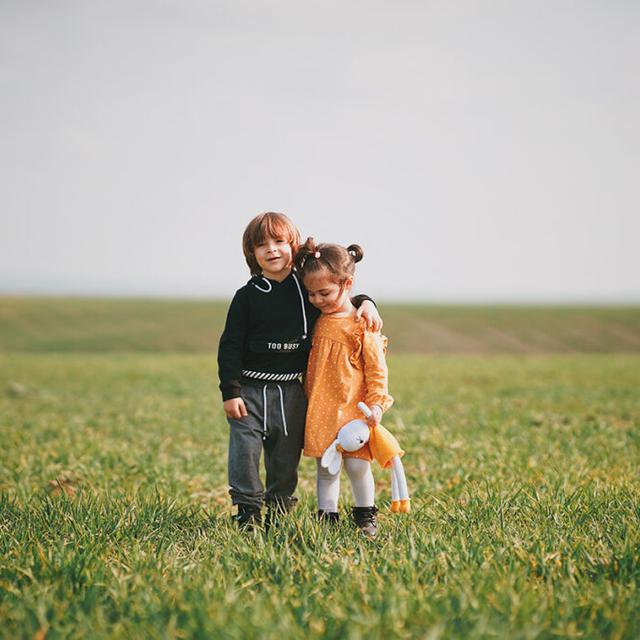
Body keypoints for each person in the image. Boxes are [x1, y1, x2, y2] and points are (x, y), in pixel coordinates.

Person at [217, 212, 382, 529]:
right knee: (245, 455)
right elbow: (230, 345)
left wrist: (367, 301)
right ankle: (248, 513)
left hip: (293, 391)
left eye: (279, 241)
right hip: (250, 390)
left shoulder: (306, 290)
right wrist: (230, 391)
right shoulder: (247, 297)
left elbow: (336, 298)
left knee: (284, 458)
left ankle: (278, 513)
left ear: (293, 245)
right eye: (261, 244)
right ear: (251, 253)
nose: (272, 249)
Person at [295, 238, 393, 538]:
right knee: (326, 468)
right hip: (321, 408)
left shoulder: (363, 325)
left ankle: (366, 516)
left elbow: (378, 371)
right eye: (311, 294)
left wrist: (376, 405)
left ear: (347, 283)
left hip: (352, 412)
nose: (317, 300)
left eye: (324, 292)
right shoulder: (316, 320)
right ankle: (327, 516)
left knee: (357, 467)